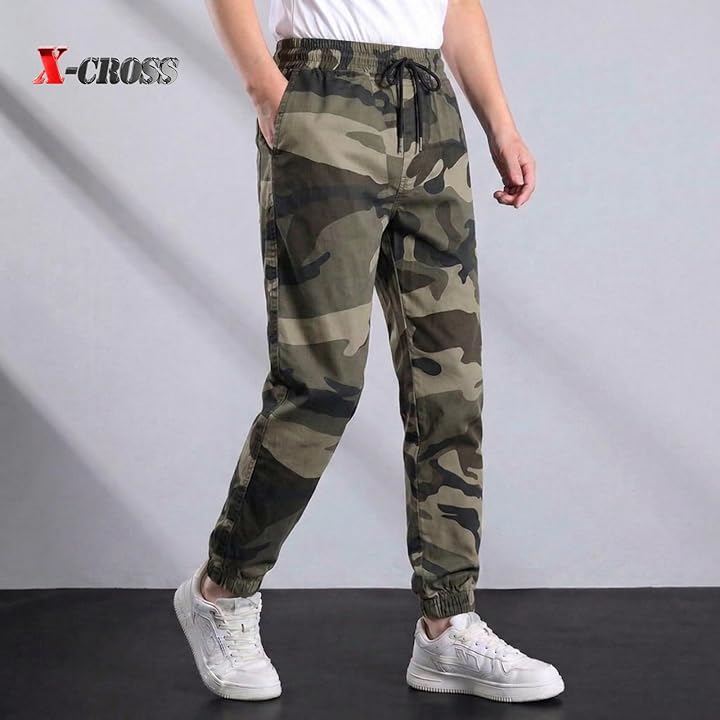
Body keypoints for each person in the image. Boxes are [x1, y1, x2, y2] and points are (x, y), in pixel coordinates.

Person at [174, 0, 564, 703]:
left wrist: (501, 124)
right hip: (325, 91)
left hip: (430, 105)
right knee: (319, 385)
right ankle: (222, 591)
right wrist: (266, 88)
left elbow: (457, 6)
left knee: (451, 384)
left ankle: (448, 623)